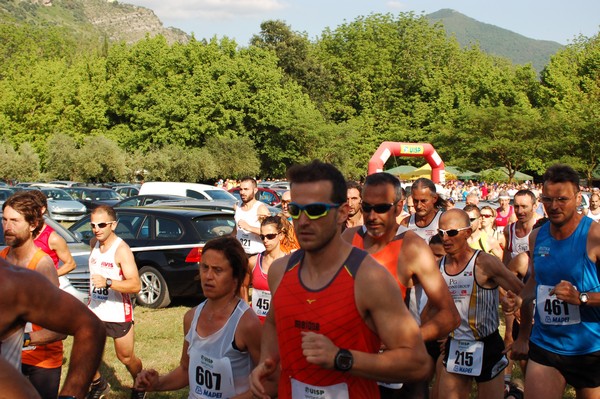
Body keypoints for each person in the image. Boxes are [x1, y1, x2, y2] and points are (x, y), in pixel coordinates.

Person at [250, 160, 433, 399]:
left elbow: (418, 363)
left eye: (315, 210)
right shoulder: (280, 270)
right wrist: (267, 361)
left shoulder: (369, 277)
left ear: (343, 213)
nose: (303, 221)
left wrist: (342, 358)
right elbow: (274, 322)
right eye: (295, 210)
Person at [342, 172, 459, 399]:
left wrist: (408, 337)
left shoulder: (412, 248)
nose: (372, 216)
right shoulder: (348, 238)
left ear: (398, 207)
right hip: (353, 362)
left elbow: (450, 316)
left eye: (381, 208)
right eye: (367, 208)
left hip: (395, 372)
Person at [508, 164, 600, 399]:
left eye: (562, 199)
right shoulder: (537, 236)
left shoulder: (594, 236)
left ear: (578, 198)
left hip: (589, 347)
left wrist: (581, 298)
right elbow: (536, 280)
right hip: (546, 343)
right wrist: (521, 298)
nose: (554, 206)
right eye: (548, 199)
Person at [135, 236, 262, 397]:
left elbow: (269, 381)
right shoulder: (191, 317)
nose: (208, 276)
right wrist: (157, 383)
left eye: (217, 270)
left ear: (235, 277)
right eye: (204, 267)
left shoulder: (246, 323)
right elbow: (186, 369)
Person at [434, 209, 524, 399]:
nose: (445, 238)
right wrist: (441, 336)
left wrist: (523, 336)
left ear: (467, 232)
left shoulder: (484, 262)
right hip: (456, 344)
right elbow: (434, 307)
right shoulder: (439, 266)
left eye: (451, 232)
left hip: (487, 344)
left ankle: (512, 394)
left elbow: (524, 292)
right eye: (440, 233)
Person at [0, 258, 106, 399]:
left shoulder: (13, 280)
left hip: (44, 361)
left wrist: (71, 394)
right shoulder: (7, 258)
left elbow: (89, 326)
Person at [1, 192, 65, 399]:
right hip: (8, 359)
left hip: (40, 363)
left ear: (32, 225)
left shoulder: (42, 265)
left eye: (15, 221)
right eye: (4, 219)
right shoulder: (2, 258)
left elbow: (60, 329)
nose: (7, 226)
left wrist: (23, 339)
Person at [86, 205, 145, 399]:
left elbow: (135, 285)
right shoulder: (93, 243)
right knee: (86, 354)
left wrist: (108, 282)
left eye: (102, 224)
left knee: (125, 357)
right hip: (95, 310)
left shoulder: (122, 250)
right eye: (93, 224)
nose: (97, 229)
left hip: (118, 311)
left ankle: (140, 383)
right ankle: (99, 384)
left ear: (113, 225)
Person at [248, 216, 289, 323]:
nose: (265, 240)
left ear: (280, 235)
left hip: (278, 325)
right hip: (255, 324)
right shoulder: (253, 261)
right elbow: (243, 287)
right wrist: (245, 313)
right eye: (262, 237)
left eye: (270, 236)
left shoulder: (290, 264)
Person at [29, 189, 76, 276]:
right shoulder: (23, 232)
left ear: (42, 209)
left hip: (44, 287)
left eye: (32, 208)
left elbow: (71, 264)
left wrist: (50, 276)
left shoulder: (52, 238)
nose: (28, 212)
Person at [399, 178, 446, 243]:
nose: (419, 206)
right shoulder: (405, 223)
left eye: (423, 201)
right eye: (415, 201)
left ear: (434, 198)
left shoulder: (444, 220)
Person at [233, 177, 271, 256]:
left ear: (255, 190)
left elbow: (270, 232)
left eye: (246, 189)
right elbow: (236, 230)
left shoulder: (261, 209)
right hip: (241, 254)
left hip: (257, 254)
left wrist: (249, 227)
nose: (242, 192)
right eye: (241, 189)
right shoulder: (237, 206)